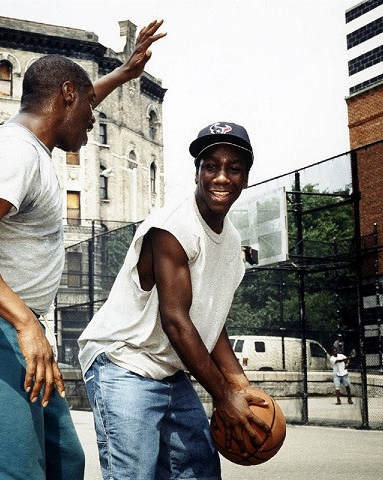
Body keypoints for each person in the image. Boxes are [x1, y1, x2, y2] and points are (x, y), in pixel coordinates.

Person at [0, 20, 165, 480]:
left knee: (61, 462)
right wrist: (24, 322)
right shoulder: (15, 152)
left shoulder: (30, 145)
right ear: (66, 96)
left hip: (10, 321)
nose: (94, 119)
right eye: (88, 106)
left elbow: (86, 96)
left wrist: (123, 73)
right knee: (13, 469)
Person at [78, 121, 271, 479]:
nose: (221, 177)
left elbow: (211, 319)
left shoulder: (231, 241)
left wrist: (238, 383)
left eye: (234, 168)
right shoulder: (173, 227)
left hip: (167, 368)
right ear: (197, 172)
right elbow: (177, 321)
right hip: (123, 359)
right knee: (134, 473)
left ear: (245, 176)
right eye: (210, 166)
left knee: (199, 470)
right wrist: (224, 395)